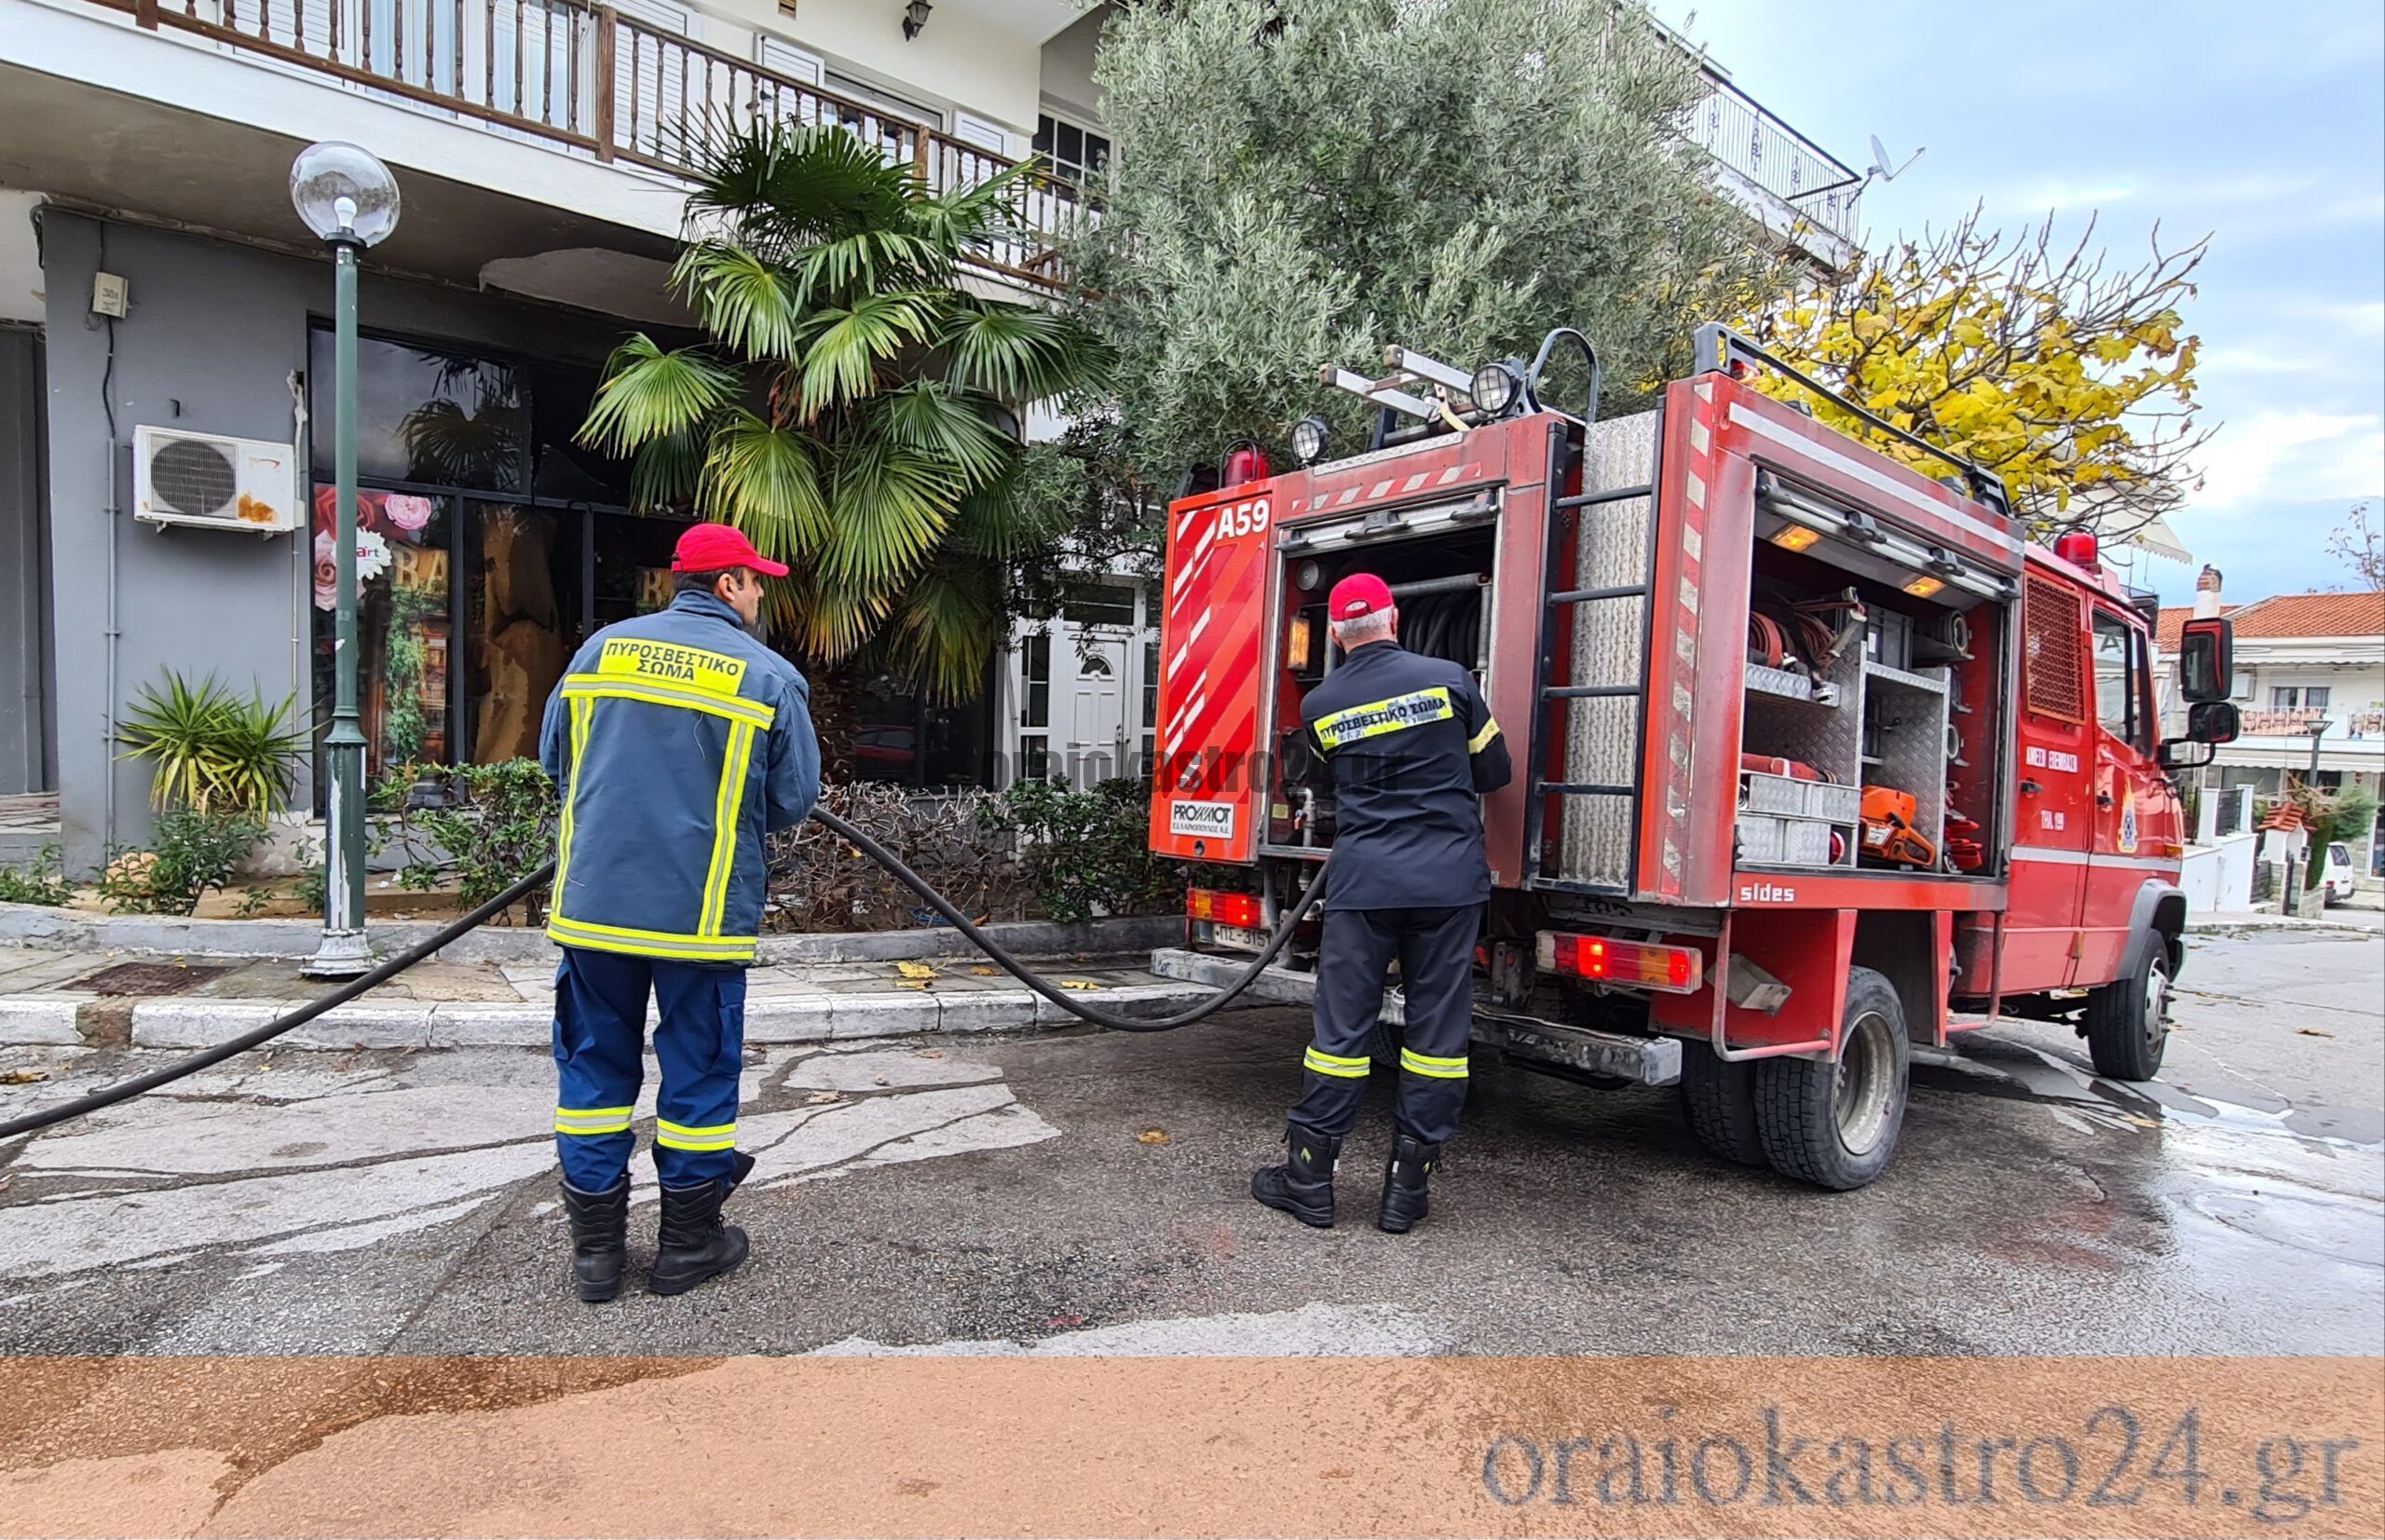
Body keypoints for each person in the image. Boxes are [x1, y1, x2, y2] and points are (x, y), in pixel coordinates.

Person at [538, 522, 820, 1302]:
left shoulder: (598, 653)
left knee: (593, 1070)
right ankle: (686, 1247)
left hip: (594, 910)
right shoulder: (768, 676)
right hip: (701, 919)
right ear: (727, 584)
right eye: (755, 579)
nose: (761, 592)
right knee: (697, 1077)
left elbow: (556, 761)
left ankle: (596, 1257)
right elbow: (792, 800)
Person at [1251, 572, 1511, 1233]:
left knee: (1340, 1035)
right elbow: (1495, 771)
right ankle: (1406, 1190)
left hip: (1365, 885)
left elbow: (1315, 778)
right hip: (1449, 883)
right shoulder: (1451, 679)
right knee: (1436, 1038)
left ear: (1336, 633)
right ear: (1393, 618)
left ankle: (1309, 1178)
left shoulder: (1322, 705)